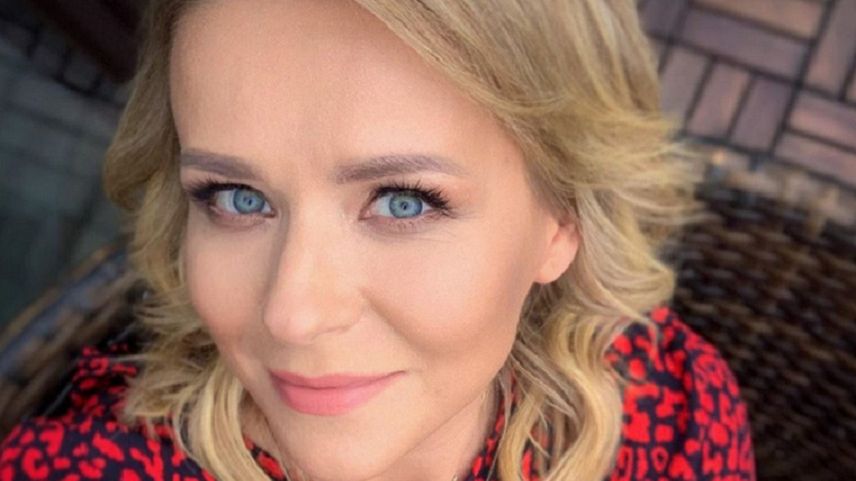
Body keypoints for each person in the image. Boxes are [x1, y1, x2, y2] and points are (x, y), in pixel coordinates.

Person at [0, 1, 756, 480]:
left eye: (402, 202)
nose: (293, 315)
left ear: (563, 220)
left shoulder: (672, 421)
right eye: (237, 197)